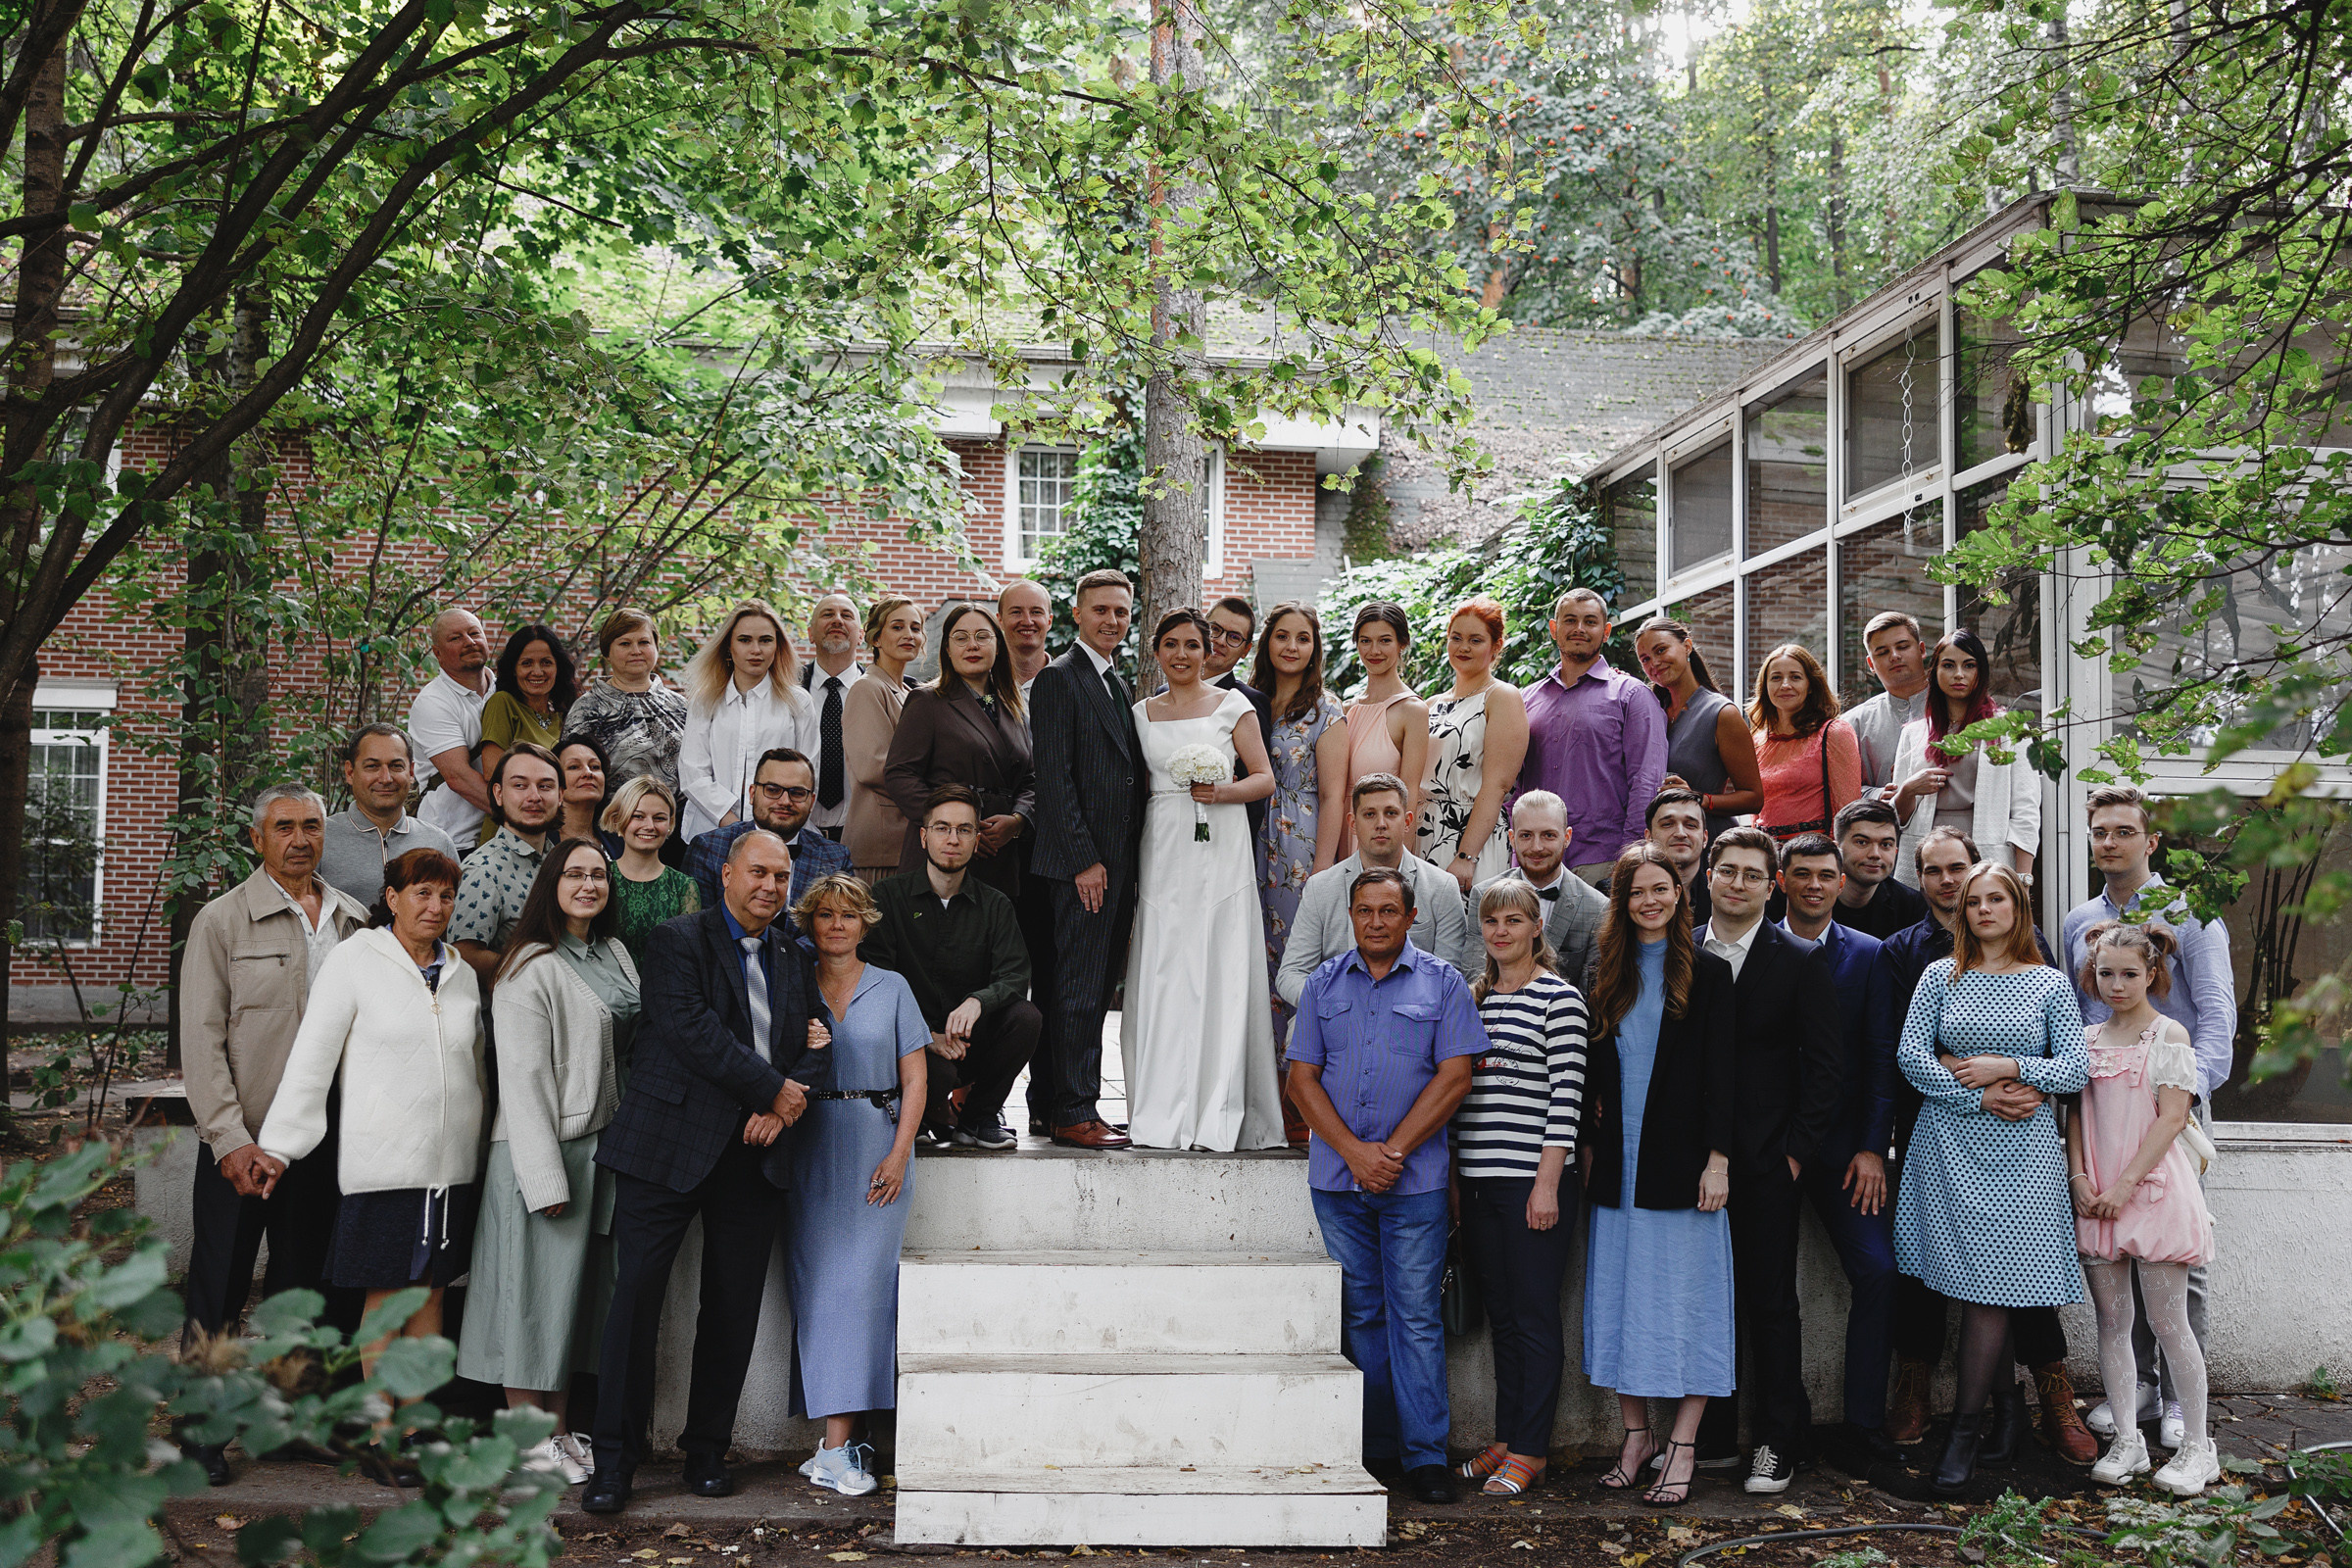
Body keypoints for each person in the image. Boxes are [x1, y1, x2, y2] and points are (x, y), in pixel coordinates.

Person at [582, 828, 829, 1514]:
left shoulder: (792, 952)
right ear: (725, 874)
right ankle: (615, 1462)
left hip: (753, 1154)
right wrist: (769, 1088)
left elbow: (819, 1041)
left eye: (782, 878)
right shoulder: (676, 940)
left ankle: (707, 1450)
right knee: (635, 1302)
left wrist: (784, 1107)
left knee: (732, 1306)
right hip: (666, 1146)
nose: (770, 888)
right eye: (758, 873)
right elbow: (690, 1029)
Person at [178, 785, 371, 1484]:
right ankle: (200, 1431)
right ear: (257, 839)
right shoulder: (223, 921)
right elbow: (200, 1041)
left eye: (311, 827)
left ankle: (292, 1425)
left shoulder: (353, 921)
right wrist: (230, 1140)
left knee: (302, 1292)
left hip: (320, 1147)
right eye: (283, 827)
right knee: (219, 1290)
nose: (299, 839)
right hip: (245, 1146)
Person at [1880, 828, 2092, 1462]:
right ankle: (1991, 1423)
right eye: (1975, 903)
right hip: (1949, 1146)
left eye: (1995, 899)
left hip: (2021, 1157)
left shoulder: (2049, 983)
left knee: (2001, 1285)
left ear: (2017, 908)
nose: (1983, 910)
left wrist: (2009, 1068)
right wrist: (1978, 1095)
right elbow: (1911, 1057)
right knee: (1974, 1286)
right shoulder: (1938, 975)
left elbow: (2075, 1069)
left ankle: (1983, 1426)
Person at [253, 847, 485, 1402]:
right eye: (422, 893)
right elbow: (313, 1058)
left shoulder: (460, 974)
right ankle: (383, 1433)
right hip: (384, 1167)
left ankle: (419, 1422)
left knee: (430, 1296)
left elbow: (476, 1072)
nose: (435, 906)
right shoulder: (355, 960)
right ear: (393, 898)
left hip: (448, 1170)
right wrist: (280, 1147)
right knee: (386, 1299)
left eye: (446, 895)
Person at [1286, 867, 1485, 1506]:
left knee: (1416, 1317)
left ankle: (1424, 1455)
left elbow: (1456, 1077)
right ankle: (1373, 1450)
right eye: (1365, 911)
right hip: (1339, 1185)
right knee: (1363, 1315)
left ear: (1411, 917)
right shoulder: (1322, 984)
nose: (1376, 921)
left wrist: (1392, 1152)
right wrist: (1353, 1153)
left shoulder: (1445, 982)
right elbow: (1302, 1081)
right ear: (1351, 915)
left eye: (1388, 911)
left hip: (1415, 1182)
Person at [2059, 783, 2234, 1449]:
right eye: (2100, 831)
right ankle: (2142, 1390)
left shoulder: (2190, 913)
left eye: (2124, 831)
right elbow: (2081, 1016)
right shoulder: (2080, 923)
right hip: (2107, 1106)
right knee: (2120, 1244)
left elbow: (2216, 1012)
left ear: (2151, 841)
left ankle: (2182, 1401)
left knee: (2175, 1249)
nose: (2110, 843)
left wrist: (2189, 1096)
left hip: (2169, 1105)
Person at [458, 839, 637, 1486]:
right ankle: (525, 1434)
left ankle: (561, 1430)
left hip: (601, 1152)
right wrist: (542, 1178)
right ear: (550, 885)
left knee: (574, 1304)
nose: (589, 885)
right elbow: (524, 1080)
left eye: (599, 875)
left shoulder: (614, 953)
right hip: (542, 1151)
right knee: (528, 1298)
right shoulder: (528, 966)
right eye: (575, 874)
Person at [1579, 843, 1738, 1510]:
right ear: (1622, 901)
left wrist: (1719, 1161)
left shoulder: (1708, 971)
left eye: (1661, 889)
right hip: (1620, 1174)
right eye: (1637, 890)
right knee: (1619, 1306)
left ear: (1680, 896)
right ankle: (1637, 1437)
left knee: (1690, 1308)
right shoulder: (1605, 975)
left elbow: (1724, 1077)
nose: (1650, 899)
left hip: (1684, 1172)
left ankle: (1684, 1445)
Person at [1688, 827, 1844, 1494]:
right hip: (1689, 1163)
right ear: (1710, 875)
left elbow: (1827, 1069)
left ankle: (1779, 1439)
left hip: (1766, 1162)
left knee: (1771, 1302)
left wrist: (1794, 1156)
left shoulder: (1798, 959)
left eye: (1754, 874)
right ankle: (1717, 1436)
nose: (1739, 883)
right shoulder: (1681, 950)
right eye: (1728, 870)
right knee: (1705, 1301)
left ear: (1770, 883)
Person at [787, 873, 929, 1498]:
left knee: (862, 1292)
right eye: (825, 915)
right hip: (810, 1144)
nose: (837, 925)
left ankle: (838, 1447)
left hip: (877, 1146)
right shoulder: (791, 983)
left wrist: (900, 1154)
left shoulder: (893, 986)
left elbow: (916, 1080)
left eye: (848, 915)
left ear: (864, 923)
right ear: (809, 924)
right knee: (817, 1291)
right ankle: (833, 1448)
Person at [2069, 921, 2221, 1497]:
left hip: (2149, 1193)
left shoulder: (2169, 1035)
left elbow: (2172, 1118)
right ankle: (2127, 1440)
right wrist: (2081, 1177)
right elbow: (2077, 1116)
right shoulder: (2084, 1040)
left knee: (2168, 1323)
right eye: (2105, 973)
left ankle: (2197, 1446)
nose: (2116, 984)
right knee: (2112, 1323)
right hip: (2098, 1196)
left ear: (2152, 974)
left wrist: (2125, 1185)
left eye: (2129, 973)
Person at [1122, 609, 1283, 1152]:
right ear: (1157, 651)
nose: (1183, 655)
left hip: (1221, 840)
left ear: (1206, 648)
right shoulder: (1141, 713)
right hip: (1164, 841)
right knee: (1167, 961)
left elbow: (1264, 779)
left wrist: (1222, 793)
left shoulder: (1234, 705)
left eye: (1193, 644)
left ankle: (1220, 1102)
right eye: (1171, 645)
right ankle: (1162, 1102)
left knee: (1217, 959)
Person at [1451, 880, 1588, 1498]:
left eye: (1514, 920)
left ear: (1537, 927)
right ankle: (1506, 1438)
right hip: (1479, 1186)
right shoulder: (1473, 1000)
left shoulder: (1560, 1000)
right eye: (1491, 922)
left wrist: (1548, 1185)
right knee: (1502, 1320)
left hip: (1534, 1185)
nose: (1501, 931)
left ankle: (1532, 1448)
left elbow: (1567, 1100)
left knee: (1534, 1319)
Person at [1775, 833, 1901, 1461]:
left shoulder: (1870, 955)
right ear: (1784, 881)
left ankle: (1862, 1425)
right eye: (1803, 875)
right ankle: (1785, 1424)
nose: (1816, 886)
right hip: (1769, 1151)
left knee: (1878, 1270)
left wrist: (1874, 1147)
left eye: (1827, 875)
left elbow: (1882, 1055)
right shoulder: (1757, 948)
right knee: (1765, 1287)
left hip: (1846, 1150)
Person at [1028, 568, 1145, 1151]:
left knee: (1087, 989)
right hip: (1083, 869)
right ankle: (1073, 1110)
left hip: (1114, 867)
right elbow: (1053, 779)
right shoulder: (1058, 679)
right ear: (1078, 614)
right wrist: (1083, 860)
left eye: (1121, 612)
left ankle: (1060, 1105)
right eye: (1101, 610)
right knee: (1077, 989)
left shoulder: (1112, 682)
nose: (1112, 621)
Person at [860, 786, 1041, 1152]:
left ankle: (977, 1118)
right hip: (912, 1048)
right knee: (935, 1074)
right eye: (942, 828)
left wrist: (978, 1001)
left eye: (963, 830)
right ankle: (921, 1115)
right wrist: (925, 1035)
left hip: (968, 1044)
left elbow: (1015, 974)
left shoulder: (995, 905)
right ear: (924, 837)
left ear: (977, 840)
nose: (952, 839)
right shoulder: (887, 898)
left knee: (1026, 1017)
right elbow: (875, 981)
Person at [1276, 775, 1471, 1007]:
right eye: (1369, 814)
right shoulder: (1321, 888)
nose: (1381, 823)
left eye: (1391, 813)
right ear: (1353, 823)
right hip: (1332, 1014)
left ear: (1407, 820)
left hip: (1413, 1018)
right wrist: (1333, 1004)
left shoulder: (1441, 887)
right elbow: (1291, 974)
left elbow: (1450, 977)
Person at [884, 602, 1034, 899]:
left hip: (1001, 852)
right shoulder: (927, 701)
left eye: (982, 636)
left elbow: (1031, 778)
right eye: (961, 637)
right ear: (948, 649)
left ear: (998, 645)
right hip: (946, 850)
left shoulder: (1014, 705)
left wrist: (1017, 821)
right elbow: (900, 775)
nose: (972, 645)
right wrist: (955, 825)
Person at [1250, 602, 1348, 1055]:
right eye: (1282, 636)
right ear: (1267, 642)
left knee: (1292, 954)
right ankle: (1256, 1077)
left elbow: (1334, 795)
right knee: (1249, 953)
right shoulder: (1247, 698)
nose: (1291, 646)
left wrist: (1322, 868)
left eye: (1303, 638)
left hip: (1297, 846)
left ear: (1315, 649)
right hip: (1246, 836)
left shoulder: (1326, 710)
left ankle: (1295, 1075)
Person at [1519, 588, 1668, 883]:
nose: (1579, 629)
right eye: (1570, 620)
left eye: (1590, 621)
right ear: (1553, 628)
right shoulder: (1525, 699)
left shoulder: (1632, 696)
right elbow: (1510, 784)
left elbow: (1646, 782)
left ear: (1606, 631)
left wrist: (1630, 859)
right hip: (1532, 862)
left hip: (1601, 861)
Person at [1891, 629, 2040, 886]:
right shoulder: (1914, 734)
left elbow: (2026, 812)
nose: (1958, 674)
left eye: (1968, 665)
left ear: (1980, 672)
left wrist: (2022, 879)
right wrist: (1907, 790)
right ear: (1935, 672)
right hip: (1926, 859)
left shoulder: (2010, 731)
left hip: (1987, 855)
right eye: (1948, 665)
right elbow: (1898, 821)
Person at [678, 599, 819, 843]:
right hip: (711, 833)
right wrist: (732, 823)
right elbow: (693, 773)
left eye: (765, 640)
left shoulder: (799, 702)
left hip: (778, 834)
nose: (756, 650)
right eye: (745, 640)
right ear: (729, 646)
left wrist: (767, 824)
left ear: (777, 646)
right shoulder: (705, 700)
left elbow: (808, 773)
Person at [1419, 598, 1531, 893]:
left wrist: (1466, 855)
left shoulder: (1502, 697)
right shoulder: (1431, 704)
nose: (1463, 647)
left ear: (1496, 647)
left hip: (1470, 837)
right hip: (1423, 831)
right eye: (1455, 638)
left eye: (1475, 640)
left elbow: (1497, 785)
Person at [1461, 791, 1608, 988]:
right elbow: (1474, 974)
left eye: (1548, 835)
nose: (1536, 847)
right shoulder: (1483, 894)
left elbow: (1591, 992)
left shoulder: (1597, 908)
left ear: (1567, 837)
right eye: (1526, 836)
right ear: (1512, 839)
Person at [1635, 615, 1761, 841]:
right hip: (1661, 842)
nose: (1654, 663)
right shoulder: (1652, 711)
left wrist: (1697, 798)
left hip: (1706, 841)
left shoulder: (1722, 713)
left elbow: (1754, 798)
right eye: (1645, 659)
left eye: (1661, 650)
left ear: (1687, 646)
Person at [683, 748, 855, 912]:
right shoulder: (709, 849)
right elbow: (700, 927)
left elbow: (836, 928)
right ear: (752, 794)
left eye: (797, 793)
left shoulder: (836, 858)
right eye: (773, 790)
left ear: (812, 801)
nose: (785, 801)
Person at [451, 742, 563, 985]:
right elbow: (464, 955)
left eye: (545, 786)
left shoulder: (562, 861)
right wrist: (541, 977)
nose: (534, 796)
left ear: (561, 795)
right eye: (520, 786)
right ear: (499, 794)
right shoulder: (483, 870)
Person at [320, 723, 459, 909]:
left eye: (395, 766)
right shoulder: (320, 839)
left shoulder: (438, 843)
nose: (385, 778)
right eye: (372, 766)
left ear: (411, 772)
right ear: (350, 772)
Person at [1334, 602, 1428, 858]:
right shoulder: (1345, 708)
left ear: (1402, 644)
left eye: (1385, 641)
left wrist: (1401, 863)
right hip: (1339, 831)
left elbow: (1411, 791)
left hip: (1382, 840)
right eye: (1365, 641)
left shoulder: (1412, 710)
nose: (1374, 651)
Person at [566, 607, 690, 795]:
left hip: (680, 820)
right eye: (625, 644)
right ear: (607, 653)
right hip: (612, 819)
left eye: (644, 642)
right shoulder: (587, 710)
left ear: (656, 647)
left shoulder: (681, 707)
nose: (636, 651)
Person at [1747, 644, 1863, 844]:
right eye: (1776, 678)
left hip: (1813, 855)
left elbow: (1847, 809)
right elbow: (1756, 811)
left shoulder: (1833, 733)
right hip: (1767, 853)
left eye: (1795, 677)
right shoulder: (1757, 740)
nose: (1785, 685)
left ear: (1810, 685)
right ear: (1765, 686)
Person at [844, 596, 924, 881]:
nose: (908, 635)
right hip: (880, 843)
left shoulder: (908, 692)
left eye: (915, 628)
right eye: (897, 627)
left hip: (908, 839)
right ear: (876, 639)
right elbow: (873, 767)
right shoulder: (867, 688)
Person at [476, 623, 578, 838]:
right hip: (512, 831)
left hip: (554, 830)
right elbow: (492, 770)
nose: (537, 671)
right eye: (527, 663)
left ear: (558, 667)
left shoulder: (563, 716)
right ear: (514, 669)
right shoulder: (502, 703)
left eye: (546, 663)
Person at [409, 608, 495, 845]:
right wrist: (522, 816)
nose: (469, 642)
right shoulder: (433, 702)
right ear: (438, 653)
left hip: (504, 837)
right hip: (452, 841)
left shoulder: (506, 689)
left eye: (474, 633)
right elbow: (460, 778)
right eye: (456, 638)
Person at [603, 776, 700, 976]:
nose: (649, 826)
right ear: (619, 819)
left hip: (664, 995)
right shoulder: (600, 877)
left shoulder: (683, 887)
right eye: (638, 816)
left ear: (670, 824)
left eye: (659, 818)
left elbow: (689, 959)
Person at [1201, 594, 1278, 843]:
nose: (1220, 641)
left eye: (1233, 637)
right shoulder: (1164, 694)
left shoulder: (1248, 701)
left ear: (1245, 650)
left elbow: (1256, 789)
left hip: (1223, 832)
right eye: (1215, 629)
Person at [1846, 612, 1934, 792]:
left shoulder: (1958, 707)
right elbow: (1840, 788)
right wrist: (1878, 796)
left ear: (1922, 649)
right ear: (1871, 664)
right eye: (1883, 652)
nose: (1894, 656)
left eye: (1902, 647)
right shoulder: (1853, 725)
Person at [802, 593, 862, 841]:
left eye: (846, 616)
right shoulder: (786, 689)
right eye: (827, 614)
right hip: (797, 835)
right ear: (810, 633)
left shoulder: (881, 692)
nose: (837, 620)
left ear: (861, 635)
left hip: (860, 836)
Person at [1830, 799, 1927, 941]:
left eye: (1885, 844)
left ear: (1896, 851)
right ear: (1837, 850)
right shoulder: (1809, 895)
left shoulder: (1910, 906)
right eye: (1862, 842)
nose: (1875, 854)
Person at [1645, 784, 1714, 926]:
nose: (1680, 834)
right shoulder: (1616, 894)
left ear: (1705, 838)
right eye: (1667, 824)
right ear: (1648, 837)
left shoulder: (1724, 896)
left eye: (1690, 825)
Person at [553, 733, 612, 851]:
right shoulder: (539, 840)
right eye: (574, 767)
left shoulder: (619, 841)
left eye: (595, 767)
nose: (588, 773)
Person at [999, 579, 1054, 703]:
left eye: (1036, 612)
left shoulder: (1070, 682)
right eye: (1016, 612)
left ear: (1049, 621)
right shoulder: (983, 682)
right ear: (1000, 620)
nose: (1027, 621)